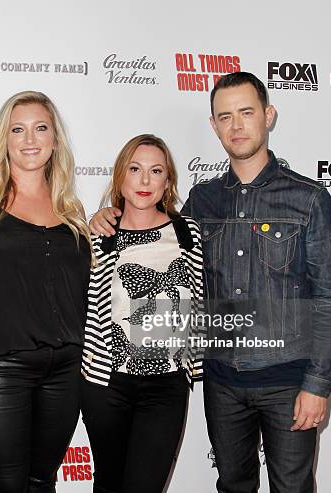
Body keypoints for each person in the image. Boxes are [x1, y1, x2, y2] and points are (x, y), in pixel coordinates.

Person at [90, 72, 331, 492]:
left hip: (288, 382)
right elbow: (151, 239)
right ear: (214, 126)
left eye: (246, 112)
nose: (236, 125)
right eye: (225, 117)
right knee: (232, 486)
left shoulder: (309, 199)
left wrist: (317, 386)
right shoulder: (200, 202)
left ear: (268, 115)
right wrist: (105, 217)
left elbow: (330, 299)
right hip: (222, 380)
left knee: (293, 488)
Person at [0, 91, 91, 492]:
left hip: (66, 369)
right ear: (5, 138)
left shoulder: (73, 210)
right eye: (18, 129)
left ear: (54, 141)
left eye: (40, 128)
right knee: (8, 486)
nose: (29, 139)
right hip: (0, 367)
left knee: (42, 482)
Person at [81, 134, 204, 493]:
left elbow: (196, 301)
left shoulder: (186, 232)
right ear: (120, 176)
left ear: (168, 181)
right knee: (108, 484)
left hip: (166, 384)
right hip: (107, 383)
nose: (145, 181)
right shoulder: (98, 235)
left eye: (156, 171)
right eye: (135, 169)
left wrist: (189, 366)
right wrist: (96, 219)